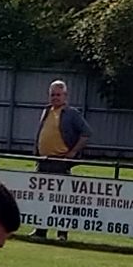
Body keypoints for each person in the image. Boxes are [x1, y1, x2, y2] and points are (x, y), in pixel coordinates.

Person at [31, 80, 92, 240]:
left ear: (65, 96)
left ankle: (62, 233)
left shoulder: (72, 113)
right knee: (42, 197)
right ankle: (40, 230)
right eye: (52, 95)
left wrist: (73, 152)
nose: (55, 98)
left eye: (58, 94)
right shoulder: (46, 111)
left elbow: (86, 133)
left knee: (61, 199)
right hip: (43, 161)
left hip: (60, 162)